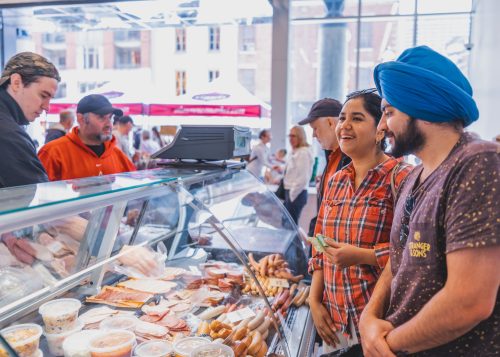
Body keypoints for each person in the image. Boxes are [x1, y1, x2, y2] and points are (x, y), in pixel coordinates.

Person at [359, 46, 500, 357]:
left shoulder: (477, 161)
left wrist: (386, 344)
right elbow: (399, 260)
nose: (381, 127)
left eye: (389, 111)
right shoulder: (414, 176)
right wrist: (369, 318)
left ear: (420, 107)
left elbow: (470, 300)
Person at [308, 90, 411, 356]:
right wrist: (314, 300)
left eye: (356, 118)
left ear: (380, 129)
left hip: (379, 328)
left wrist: (363, 256)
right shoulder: (336, 180)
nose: (344, 126)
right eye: (342, 118)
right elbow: (320, 242)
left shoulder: (402, 178)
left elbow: (415, 252)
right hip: (335, 323)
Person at [38, 94, 136, 181]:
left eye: (110, 118)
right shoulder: (53, 153)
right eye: (101, 117)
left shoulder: (117, 154)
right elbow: (38, 195)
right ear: (81, 119)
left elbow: (136, 184)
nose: (109, 124)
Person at [0, 52, 60, 188]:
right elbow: (37, 199)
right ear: (16, 83)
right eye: (43, 95)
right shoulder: (9, 135)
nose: (47, 107)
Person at [298, 98, 351, 237]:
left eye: (315, 128)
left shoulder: (352, 159)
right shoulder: (332, 156)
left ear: (330, 123)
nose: (313, 135)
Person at [283, 125, 314, 224]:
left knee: (290, 226)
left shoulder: (303, 153)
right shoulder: (294, 151)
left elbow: (303, 178)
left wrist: (292, 195)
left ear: (300, 137)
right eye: (290, 136)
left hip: (296, 193)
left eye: (293, 136)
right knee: (287, 225)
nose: (290, 139)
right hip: (291, 192)